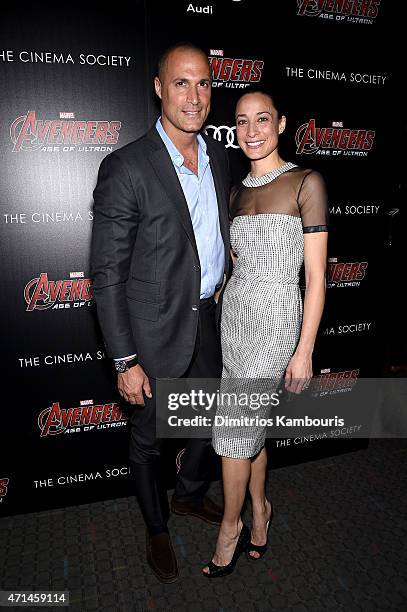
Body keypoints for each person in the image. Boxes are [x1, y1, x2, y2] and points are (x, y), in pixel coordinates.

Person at [90, 42, 231, 583]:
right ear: (158, 88)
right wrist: (125, 360)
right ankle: (156, 526)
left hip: (207, 321)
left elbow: (208, 238)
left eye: (203, 84)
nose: (194, 97)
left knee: (206, 424)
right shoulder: (125, 167)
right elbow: (107, 274)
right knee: (150, 440)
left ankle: (190, 496)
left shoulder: (218, 156)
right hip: (150, 335)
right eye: (181, 83)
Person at [203, 89, 328, 577]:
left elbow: (316, 277)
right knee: (251, 429)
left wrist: (305, 349)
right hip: (234, 320)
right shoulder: (234, 191)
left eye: (262, 120)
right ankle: (260, 513)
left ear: (280, 124)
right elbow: (235, 264)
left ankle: (228, 527)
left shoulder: (305, 182)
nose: (251, 130)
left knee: (234, 431)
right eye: (241, 121)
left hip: (277, 322)